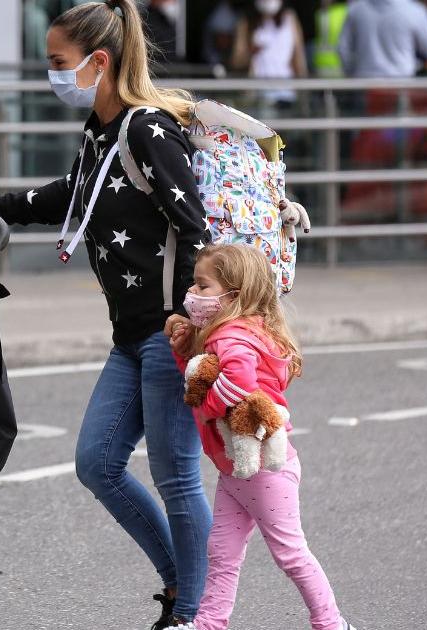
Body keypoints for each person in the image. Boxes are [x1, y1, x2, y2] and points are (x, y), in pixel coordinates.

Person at [0, 2, 213, 627]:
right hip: (130, 334)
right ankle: (184, 588)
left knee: (178, 480)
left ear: (99, 61)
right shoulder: (102, 130)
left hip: (168, 331)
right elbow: (75, 194)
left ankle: (198, 614)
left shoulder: (148, 130)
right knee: (97, 462)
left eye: (58, 63)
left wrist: (191, 322)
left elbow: (195, 228)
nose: (53, 75)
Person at [164, 244, 354, 630]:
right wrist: (185, 351)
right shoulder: (230, 332)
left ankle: (332, 624)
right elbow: (200, 378)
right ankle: (210, 623)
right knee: (222, 551)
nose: (193, 293)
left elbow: (237, 384)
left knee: (291, 554)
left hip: (265, 471)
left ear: (233, 295)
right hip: (235, 469)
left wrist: (206, 403)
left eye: (202, 285)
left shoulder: (231, 337)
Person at [231, 0, 308, 109]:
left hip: (286, 93)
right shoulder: (246, 22)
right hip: (258, 95)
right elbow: (236, 61)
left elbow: (299, 58)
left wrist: (303, 92)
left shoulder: (290, 18)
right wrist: (250, 52)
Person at [337, 0, 427, 78]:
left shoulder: (355, 9)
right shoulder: (415, 11)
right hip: (401, 80)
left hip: (363, 79)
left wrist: (352, 73)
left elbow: (343, 48)